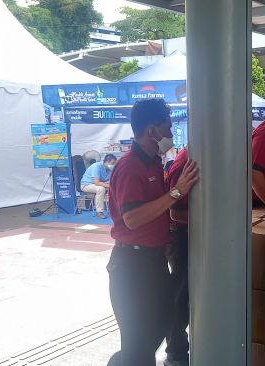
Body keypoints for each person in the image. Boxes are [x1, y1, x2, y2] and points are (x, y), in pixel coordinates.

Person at [107, 99, 199, 366]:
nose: (171, 134)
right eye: (168, 127)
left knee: (162, 323)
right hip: (132, 265)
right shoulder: (129, 166)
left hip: (154, 260)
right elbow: (133, 218)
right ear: (152, 131)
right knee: (138, 345)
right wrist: (177, 191)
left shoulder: (154, 162)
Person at [164, 146, 190, 366]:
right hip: (181, 235)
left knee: (189, 295)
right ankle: (176, 352)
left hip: (197, 234)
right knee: (181, 295)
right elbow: (175, 211)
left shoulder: (203, 158)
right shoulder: (184, 164)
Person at [80, 154, 117, 218]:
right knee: (101, 189)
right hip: (86, 185)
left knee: (115, 187)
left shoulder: (109, 169)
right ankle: (99, 212)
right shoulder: (96, 166)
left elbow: (111, 180)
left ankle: (117, 208)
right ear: (106, 161)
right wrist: (109, 186)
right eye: (112, 163)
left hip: (98, 184)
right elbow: (96, 182)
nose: (113, 165)